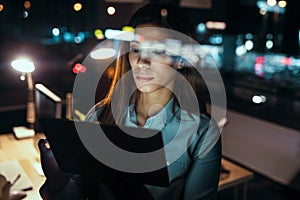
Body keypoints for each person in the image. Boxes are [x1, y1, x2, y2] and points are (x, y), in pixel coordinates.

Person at [38, 2, 222, 200]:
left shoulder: (202, 134)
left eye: (158, 51)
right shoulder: (100, 115)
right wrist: (59, 180)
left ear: (180, 60)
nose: (142, 62)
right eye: (136, 50)